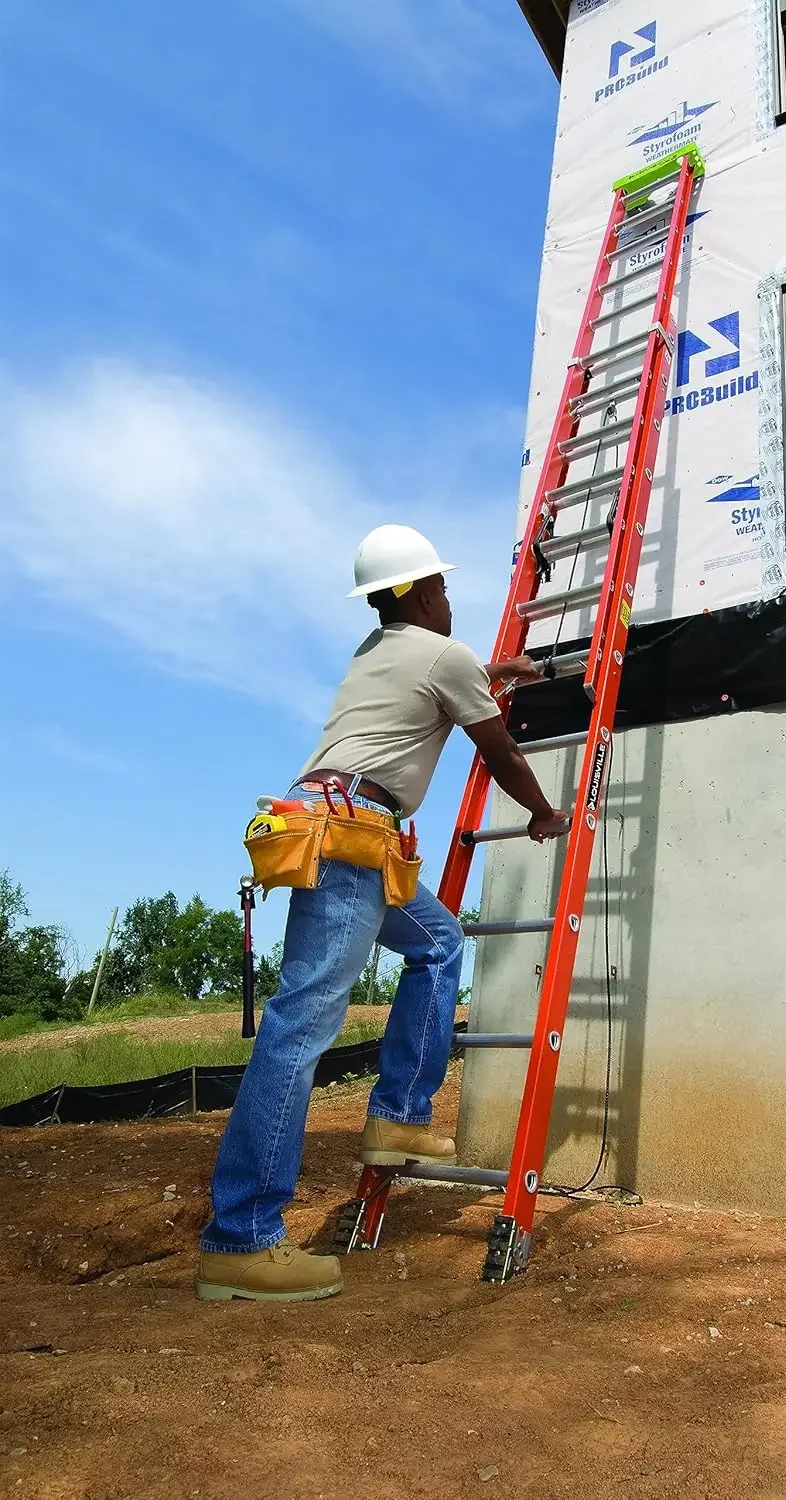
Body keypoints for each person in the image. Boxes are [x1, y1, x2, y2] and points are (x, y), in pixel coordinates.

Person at [197, 524, 569, 1302]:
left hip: (332, 828)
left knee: (437, 941)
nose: (449, 599)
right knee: (298, 1029)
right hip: (349, 837)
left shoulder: (381, 654)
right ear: (417, 595)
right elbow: (495, 750)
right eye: (440, 587)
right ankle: (241, 1238)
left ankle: (398, 1116)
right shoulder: (442, 657)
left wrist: (489, 673)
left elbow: (437, 689)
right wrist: (542, 811)